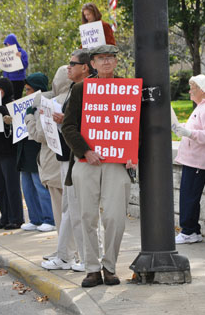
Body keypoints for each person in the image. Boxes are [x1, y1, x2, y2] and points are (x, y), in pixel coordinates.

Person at [62, 45, 136, 287]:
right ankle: (92, 268)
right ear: (92, 64)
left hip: (117, 162)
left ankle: (109, 267)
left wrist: (132, 152)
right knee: (87, 216)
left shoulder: (127, 88)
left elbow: (135, 124)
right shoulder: (81, 88)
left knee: (115, 217)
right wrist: (85, 150)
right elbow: (68, 126)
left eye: (111, 58)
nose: (106, 62)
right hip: (87, 161)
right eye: (101, 59)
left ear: (116, 62)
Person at [41, 50, 94, 272]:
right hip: (67, 156)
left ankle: (88, 258)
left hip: (82, 157)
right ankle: (67, 256)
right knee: (70, 209)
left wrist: (66, 121)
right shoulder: (75, 88)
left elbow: (92, 122)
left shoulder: (89, 88)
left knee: (82, 211)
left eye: (72, 64)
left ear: (85, 67)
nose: (68, 67)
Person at [173, 74, 205, 244]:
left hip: (198, 161)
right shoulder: (202, 106)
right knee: (187, 196)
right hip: (192, 160)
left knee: (190, 197)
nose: (190, 91)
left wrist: (189, 133)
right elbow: (197, 128)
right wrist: (183, 128)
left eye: (193, 88)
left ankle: (189, 232)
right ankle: (192, 231)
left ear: (202, 90)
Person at [17, 73, 56, 232]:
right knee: (27, 188)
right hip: (25, 151)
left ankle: (49, 218)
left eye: (29, 90)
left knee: (40, 186)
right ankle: (35, 218)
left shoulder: (44, 104)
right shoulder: (26, 106)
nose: (26, 93)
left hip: (37, 150)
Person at [0, 78, 24, 229]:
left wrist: (6, 114)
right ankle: (5, 217)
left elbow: (17, 127)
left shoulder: (12, 105)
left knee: (11, 186)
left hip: (8, 153)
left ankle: (16, 218)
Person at [0, 33, 28, 100]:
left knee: (17, 99)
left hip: (18, 80)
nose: (8, 45)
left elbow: (25, 65)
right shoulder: (5, 53)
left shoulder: (22, 52)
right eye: (6, 44)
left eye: (9, 43)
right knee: (7, 99)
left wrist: (20, 58)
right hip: (7, 80)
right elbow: (3, 66)